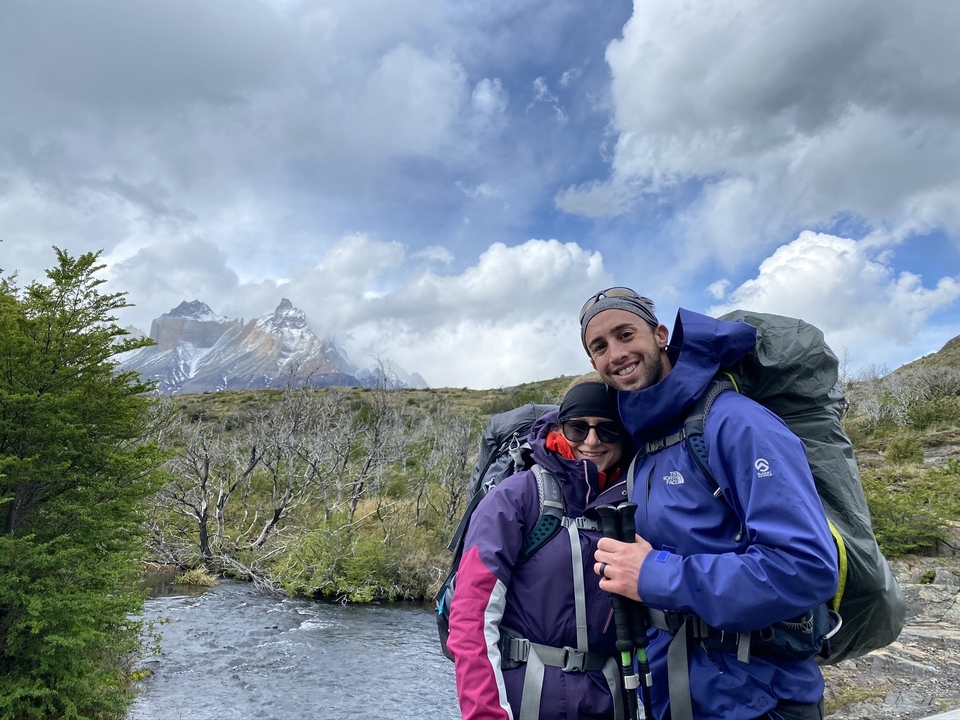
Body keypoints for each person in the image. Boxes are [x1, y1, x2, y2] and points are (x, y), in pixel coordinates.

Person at [581, 288, 839, 720]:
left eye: (626, 333)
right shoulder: (647, 445)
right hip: (680, 698)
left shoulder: (734, 422)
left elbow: (807, 566)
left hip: (759, 702)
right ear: (593, 364)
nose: (617, 353)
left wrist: (654, 574)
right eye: (600, 346)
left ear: (660, 334)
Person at [446, 375, 632, 720]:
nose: (592, 440)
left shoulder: (632, 503)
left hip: (609, 702)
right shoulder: (516, 498)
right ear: (561, 428)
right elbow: (470, 618)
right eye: (579, 428)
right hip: (524, 702)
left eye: (608, 429)